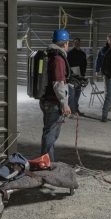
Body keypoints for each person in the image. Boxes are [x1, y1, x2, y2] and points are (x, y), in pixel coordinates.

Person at [40, 29, 72, 162]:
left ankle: (46, 161)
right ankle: (47, 164)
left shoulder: (51, 55)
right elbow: (58, 84)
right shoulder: (59, 59)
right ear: (65, 43)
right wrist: (65, 104)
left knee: (49, 132)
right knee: (50, 135)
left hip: (47, 100)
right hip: (53, 102)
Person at [67, 37, 87, 117]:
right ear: (73, 44)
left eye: (78, 42)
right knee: (72, 94)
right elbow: (67, 65)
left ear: (80, 43)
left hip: (80, 76)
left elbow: (84, 64)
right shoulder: (70, 53)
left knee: (77, 94)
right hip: (72, 76)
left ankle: (75, 109)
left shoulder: (82, 53)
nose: (77, 44)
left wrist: (83, 74)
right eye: (75, 42)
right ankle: (69, 111)